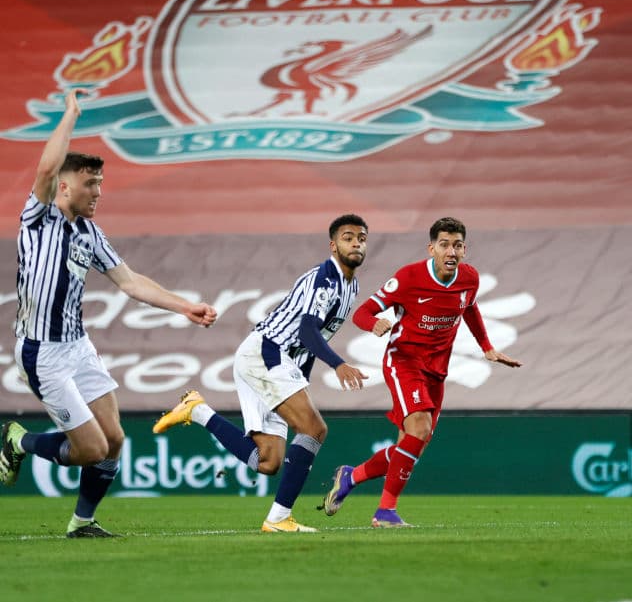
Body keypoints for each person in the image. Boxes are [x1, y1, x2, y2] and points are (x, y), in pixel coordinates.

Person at [0, 88, 218, 538]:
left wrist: (185, 307)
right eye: (89, 184)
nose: (98, 192)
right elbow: (44, 166)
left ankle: (82, 522)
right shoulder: (38, 217)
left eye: (100, 183)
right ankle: (18, 440)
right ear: (64, 187)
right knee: (91, 447)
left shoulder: (90, 234)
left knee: (115, 440)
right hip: (41, 352)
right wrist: (71, 115)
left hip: (78, 347)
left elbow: (130, 281)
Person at [152, 215, 371, 533]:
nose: (356, 243)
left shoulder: (351, 286)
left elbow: (310, 343)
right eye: (348, 237)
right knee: (314, 428)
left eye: (361, 238)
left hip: (277, 361)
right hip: (267, 353)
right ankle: (279, 519)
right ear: (333, 244)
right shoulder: (326, 278)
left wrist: (301, 380)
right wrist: (338, 364)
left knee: (267, 462)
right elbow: (308, 331)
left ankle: (197, 411)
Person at [318, 216, 521, 528]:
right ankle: (385, 512)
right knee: (420, 429)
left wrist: (486, 347)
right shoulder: (409, 278)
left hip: (436, 370)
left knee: (411, 446)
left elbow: (469, 307)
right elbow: (363, 312)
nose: (451, 251)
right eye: (444, 245)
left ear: (465, 250)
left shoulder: (469, 278)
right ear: (432, 248)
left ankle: (351, 476)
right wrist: (375, 324)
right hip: (404, 361)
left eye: (457, 245)